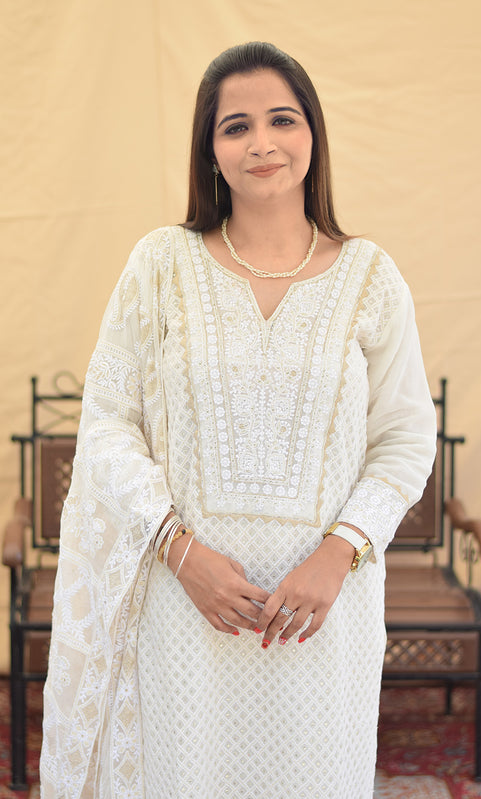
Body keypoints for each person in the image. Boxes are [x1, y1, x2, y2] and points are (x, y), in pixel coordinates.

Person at [40, 41, 436, 799]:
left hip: (321, 616)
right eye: (236, 127)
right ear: (209, 151)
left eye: (281, 119)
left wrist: (337, 557)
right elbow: (108, 420)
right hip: (184, 610)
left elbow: (404, 437)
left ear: (312, 135)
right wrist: (181, 552)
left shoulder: (370, 278)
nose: (262, 143)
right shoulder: (159, 263)